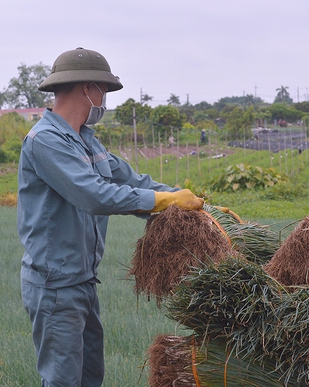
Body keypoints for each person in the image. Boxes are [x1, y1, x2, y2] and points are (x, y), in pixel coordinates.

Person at [17, 47, 204, 387]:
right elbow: (95, 195)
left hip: (83, 281)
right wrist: (161, 201)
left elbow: (132, 181)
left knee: (90, 377)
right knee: (63, 382)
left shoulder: (87, 142)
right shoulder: (46, 141)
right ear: (87, 88)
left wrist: (185, 201)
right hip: (55, 285)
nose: (104, 99)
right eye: (103, 90)